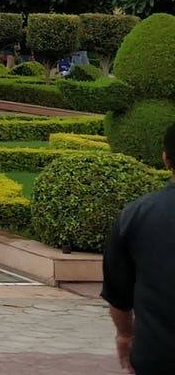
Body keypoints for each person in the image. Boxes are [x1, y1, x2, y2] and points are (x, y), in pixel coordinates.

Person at [104, 123, 175, 374]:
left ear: (165, 158)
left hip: (157, 357)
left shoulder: (136, 215)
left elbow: (118, 293)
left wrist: (124, 334)